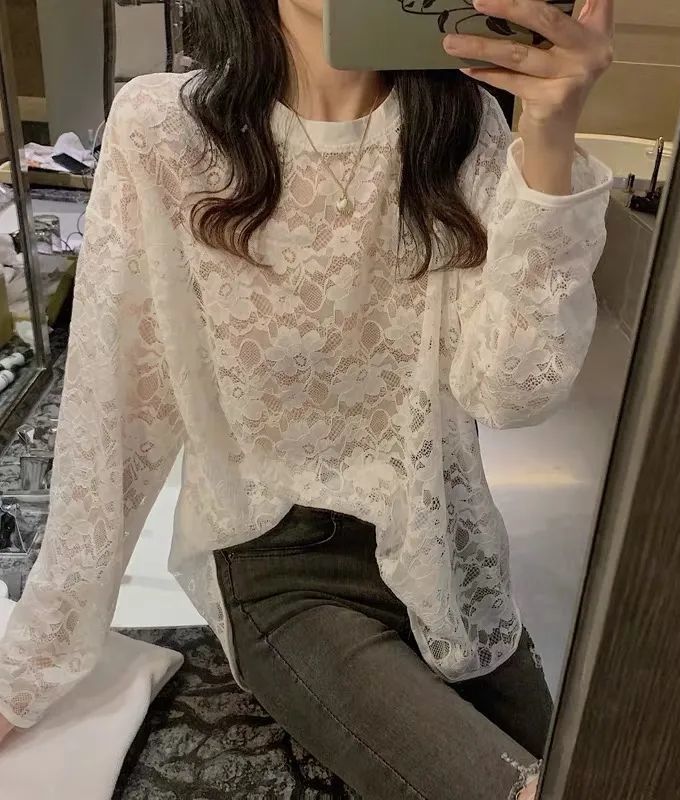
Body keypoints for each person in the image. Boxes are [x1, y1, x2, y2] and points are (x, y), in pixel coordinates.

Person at [0, 0, 614, 797]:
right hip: (280, 568)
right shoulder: (167, 133)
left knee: (599, 772)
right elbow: (113, 422)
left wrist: (550, 136)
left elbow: (509, 391)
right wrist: (27, 671)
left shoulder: (461, 130)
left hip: (445, 555)